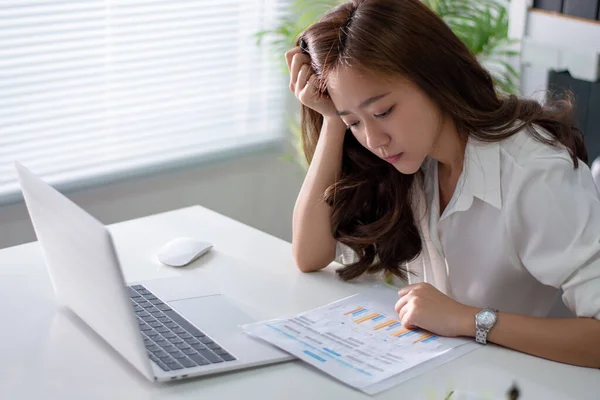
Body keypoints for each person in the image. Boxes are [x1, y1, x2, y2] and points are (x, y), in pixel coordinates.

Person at [287, 0, 600, 368]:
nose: (374, 139)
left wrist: (469, 319)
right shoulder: (407, 160)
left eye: (383, 111)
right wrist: (334, 120)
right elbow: (309, 256)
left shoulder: (535, 175)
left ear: (433, 77)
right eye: (356, 122)